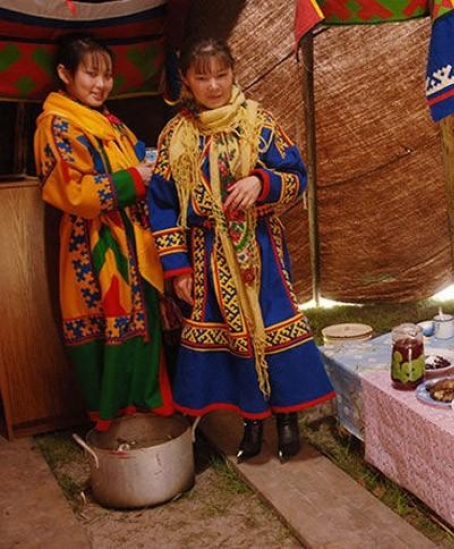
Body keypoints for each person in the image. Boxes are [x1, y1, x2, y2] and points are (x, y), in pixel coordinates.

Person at [147, 38, 335, 463]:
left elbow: (295, 176)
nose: (213, 85)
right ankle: (252, 421)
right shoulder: (177, 136)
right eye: (202, 77)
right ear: (186, 82)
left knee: (273, 330)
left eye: (221, 74)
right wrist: (177, 270)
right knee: (233, 340)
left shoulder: (259, 124)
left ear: (233, 73)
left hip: (261, 252)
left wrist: (261, 182)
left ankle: (287, 419)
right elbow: (160, 206)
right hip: (206, 255)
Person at [33, 33, 174, 431]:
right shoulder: (55, 125)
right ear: (65, 74)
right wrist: (134, 178)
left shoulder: (108, 120)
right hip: (92, 244)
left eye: (108, 75)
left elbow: (138, 155)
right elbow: (69, 190)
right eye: (91, 74)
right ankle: (118, 422)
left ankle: (150, 415)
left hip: (132, 238)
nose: (101, 84)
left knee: (142, 323)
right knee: (109, 323)